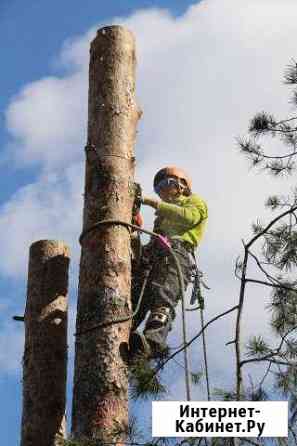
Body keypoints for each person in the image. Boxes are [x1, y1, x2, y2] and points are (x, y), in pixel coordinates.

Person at [129, 166, 208, 359]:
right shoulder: (162, 219)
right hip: (153, 258)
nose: (162, 191)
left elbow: (189, 217)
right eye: (159, 188)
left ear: (181, 186)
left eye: (166, 184)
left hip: (176, 255)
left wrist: (153, 203)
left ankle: (153, 341)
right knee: (135, 298)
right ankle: (124, 334)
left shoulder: (193, 202)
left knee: (163, 297)